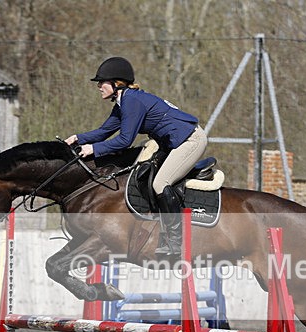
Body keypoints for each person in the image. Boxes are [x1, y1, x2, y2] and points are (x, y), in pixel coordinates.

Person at [64, 57, 207, 255]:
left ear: (116, 83)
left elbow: (124, 141)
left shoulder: (131, 100)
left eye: (102, 82)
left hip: (190, 140)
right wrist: (77, 138)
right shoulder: (124, 101)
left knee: (160, 183)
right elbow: (104, 132)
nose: (98, 86)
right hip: (172, 142)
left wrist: (93, 150)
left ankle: (176, 241)